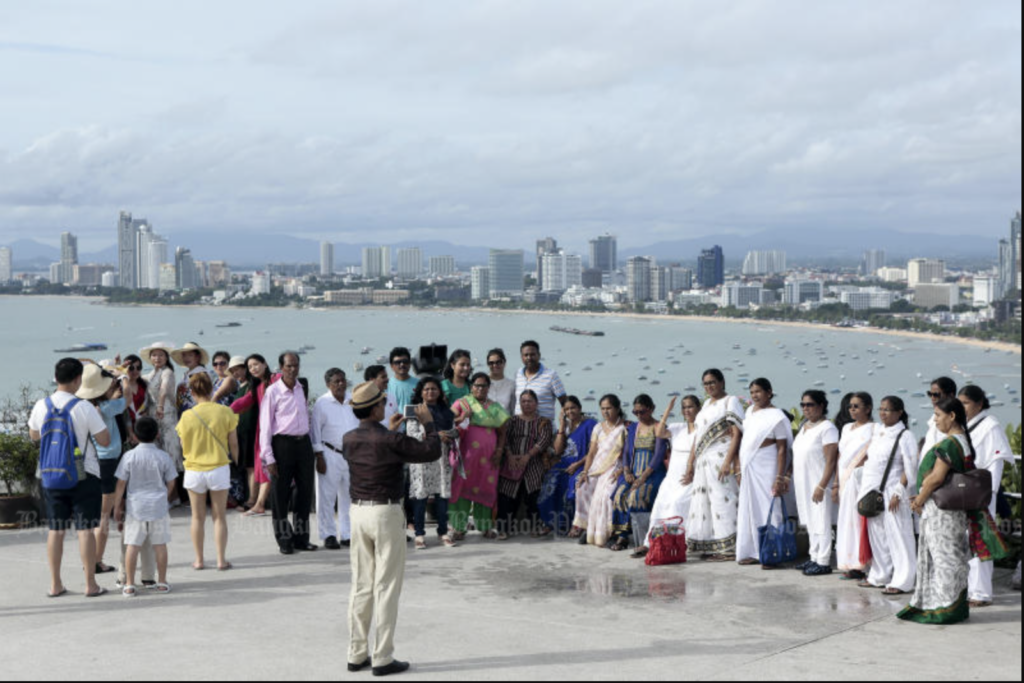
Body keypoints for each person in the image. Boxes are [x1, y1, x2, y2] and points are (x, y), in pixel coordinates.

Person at [342, 382, 442, 677]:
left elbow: (375, 448)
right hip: (386, 512)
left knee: (361, 585)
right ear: (375, 408)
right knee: (386, 587)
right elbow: (431, 451)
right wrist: (429, 424)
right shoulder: (389, 440)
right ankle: (382, 656)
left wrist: (389, 430)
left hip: (357, 512)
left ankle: (356, 653)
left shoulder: (349, 439)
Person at [898, 398, 1008, 625]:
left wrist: (919, 500)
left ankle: (945, 608)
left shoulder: (950, 443)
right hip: (948, 511)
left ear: (952, 416)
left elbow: (936, 478)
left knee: (944, 558)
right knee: (950, 557)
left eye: (938, 415)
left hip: (942, 513)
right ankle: (951, 606)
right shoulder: (962, 441)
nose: (935, 420)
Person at [28, 358, 112, 599]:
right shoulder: (83, 407)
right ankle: (90, 585)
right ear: (78, 380)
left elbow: (34, 435)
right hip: (83, 475)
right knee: (85, 530)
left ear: (56, 377)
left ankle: (55, 584)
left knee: (56, 530)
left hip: (50, 476)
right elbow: (104, 440)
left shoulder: (41, 405)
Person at [958, 385, 1016, 607]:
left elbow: (996, 463)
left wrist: (987, 494)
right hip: (964, 491)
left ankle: (981, 593)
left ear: (979, 404)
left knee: (981, 541)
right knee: (966, 541)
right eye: (960, 403)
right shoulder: (965, 426)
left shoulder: (990, 426)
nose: (962, 407)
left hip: (982, 493)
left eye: (966, 403)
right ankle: (969, 588)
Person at [176, 372, 240, 571]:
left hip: (194, 469)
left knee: (197, 517)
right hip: (219, 467)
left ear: (192, 392)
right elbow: (234, 444)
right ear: (212, 389)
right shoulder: (225, 412)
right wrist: (235, 462)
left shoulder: (187, 416)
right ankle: (221, 560)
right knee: (219, 516)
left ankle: (199, 560)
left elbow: (182, 444)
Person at [860, 396, 919, 596]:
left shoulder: (905, 435)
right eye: (881, 409)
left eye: (888, 410)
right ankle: (880, 574)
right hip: (872, 491)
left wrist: (900, 490)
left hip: (893, 492)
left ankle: (904, 580)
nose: (883, 413)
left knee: (900, 535)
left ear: (899, 412)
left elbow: (910, 466)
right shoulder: (878, 431)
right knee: (877, 535)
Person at [112, 417, 177, 597]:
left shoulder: (129, 456)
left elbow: (121, 484)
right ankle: (162, 581)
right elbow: (172, 481)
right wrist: (166, 496)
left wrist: (117, 506)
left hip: (135, 507)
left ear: (135, 435)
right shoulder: (163, 456)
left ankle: (130, 584)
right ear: (157, 434)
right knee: (160, 545)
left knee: (132, 545)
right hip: (158, 506)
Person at [261, 351, 317, 555]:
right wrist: (269, 457)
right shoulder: (273, 392)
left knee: (304, 493)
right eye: (289, 366)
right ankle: (284, 539)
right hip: (282, 445)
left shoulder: (302, 388)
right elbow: (265, 426)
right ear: (281, 368)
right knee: (280, 495)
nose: (293, 370)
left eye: (295, 365)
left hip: (303, 444)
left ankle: (302, 538)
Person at [686, 370, 744, 562]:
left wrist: (728, 461)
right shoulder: (705, 406)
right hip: (703, 460)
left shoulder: (730, 401)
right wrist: (690, 464)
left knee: (723, 500)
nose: (709, 387)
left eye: (712, 382)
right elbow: (697, 437)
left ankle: (730, 548)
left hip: (720, 458)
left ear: (722, 382)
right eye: (705, 384)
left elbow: (736, 433)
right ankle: (712, 544)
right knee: (706, 503)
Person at [634, 394, 702, 559]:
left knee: (676, 504)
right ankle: (651, 542)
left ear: (699, 409)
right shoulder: (678, 427)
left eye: (690, 407)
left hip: (689, 475)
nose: (687, 410)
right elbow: (659, 432)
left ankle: (676, 541)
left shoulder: (702, 428)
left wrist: (691, 472)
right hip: (672, 476)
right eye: (684, 407)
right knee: (660, 505)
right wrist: (667, 410)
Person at [736, 378, 792, 567]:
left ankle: (774, 551)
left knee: (771, 505)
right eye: (752, 392)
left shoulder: (777, 416)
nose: (755, 396)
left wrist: (779, 477)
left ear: (769, 392)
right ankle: (754, 551)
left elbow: (783, 449)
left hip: (767, 465)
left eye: (758, 391)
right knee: (750, 507)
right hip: (749, 465)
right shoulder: (750, 412)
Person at [449, 373, 509, 541]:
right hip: (466, 456)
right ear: (471, 386)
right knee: (460, 489)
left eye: (483, 386)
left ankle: (485, 526)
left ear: (489, 387)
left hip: (489, 459)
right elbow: (448, 420)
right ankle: (459, 528)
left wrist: (499, 451)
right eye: (477, 385)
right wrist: (462, 417)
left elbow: (503, 431)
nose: (480, 389)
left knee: (486, 489)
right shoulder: (462, 403)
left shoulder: (495, 407)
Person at [83, 364, 129, 576]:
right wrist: (125, 379)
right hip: (109, 461)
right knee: (104, 517)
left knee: (97, 515)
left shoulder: (88, 406)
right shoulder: (107, 407)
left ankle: (92, 559)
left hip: (94, 463)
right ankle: (96, 561)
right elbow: (127, 399)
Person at [609, 394, 668, 552]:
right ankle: (622, 534)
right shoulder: (633, 428)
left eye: (642, 411)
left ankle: (643, 539)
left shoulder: (659, 427)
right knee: (619, 495)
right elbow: (627, 452)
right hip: (633, 471)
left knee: (637, 496)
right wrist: (627, 471)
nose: (639, 415)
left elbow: (658, 456)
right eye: (636, 412)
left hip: (652, 473)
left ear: (651, 409)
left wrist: (643, 477)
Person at [792, 391, 840, 576]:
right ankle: (813, 556)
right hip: (803, 482)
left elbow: (831, 460)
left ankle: (824, 560)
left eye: (810, 405)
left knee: (821, 520)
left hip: (819, 481)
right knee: (810, 520)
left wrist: (822, 485)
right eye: (803, 404)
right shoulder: (805, 427)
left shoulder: (827, 428)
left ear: (821, 406)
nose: (805, 408)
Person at [311, 368, 360, 550]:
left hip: (351, 455)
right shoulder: (322, 403)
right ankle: (329, 534)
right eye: (336, 381)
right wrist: (319, 456)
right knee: (326, 497)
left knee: (349, 496)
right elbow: (315, 431)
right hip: (329, 453)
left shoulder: (352, 400)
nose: (340, 384)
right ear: (328, 384)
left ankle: (347, 534)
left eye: (342, 380)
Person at [407, 377, 458, 550]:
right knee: (420, 497)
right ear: (421, 392)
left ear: (440, 392)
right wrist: (436, 435)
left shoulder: (446, 411)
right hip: (421, 459)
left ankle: (443, 532)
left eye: (434, 389)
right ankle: (419, 534)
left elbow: (454, 431)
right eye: (426, 389)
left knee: (442, 496)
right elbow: (411, 434)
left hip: (441, 458)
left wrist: (448, 435)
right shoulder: (414, 411)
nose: (430, 392)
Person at [497, 390, 554, 540]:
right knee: (506, 496)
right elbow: (505, 439)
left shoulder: (543, 422)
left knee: (533, 496)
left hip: (533, 463)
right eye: (523, 401)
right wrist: (509, 455)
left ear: (536, 403)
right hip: (512, 462)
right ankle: (504, 529)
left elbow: (543, 441)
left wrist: (527, 456)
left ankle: (536, 526)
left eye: (529, 401)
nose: (526, 404)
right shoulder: (512, 421)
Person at [573, 395, 628, 548]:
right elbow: (591, 453)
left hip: (615, 467)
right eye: (603, 409)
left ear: (617, 408)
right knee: (582, 489)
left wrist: (623, 469)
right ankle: (587, 528)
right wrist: (585, 472)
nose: (605, 412)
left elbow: (627, 453)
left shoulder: (624, 428)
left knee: (607, 494)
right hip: (596, 467)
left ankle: (610, 532)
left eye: (609, 408)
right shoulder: (598, 427)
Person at [539, 396, 597, 537]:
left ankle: (575, 525)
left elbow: (594, 450)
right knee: (549, 485)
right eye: (566, 409)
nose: (570, 411)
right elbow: (558, 450)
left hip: (583, 464)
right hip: (564, 463)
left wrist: (577, 464)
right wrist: (561, 426)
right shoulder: (565, 426)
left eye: (573, 408)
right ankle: (549, 523)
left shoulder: (590, 424)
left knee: (572, 489)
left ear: (580, 408)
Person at [835, 392, 875, 581]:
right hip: (844, 479)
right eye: (850, 406)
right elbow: (841, 456)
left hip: (859, 480)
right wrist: (836, 483)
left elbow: (870, 455)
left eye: (857, 406)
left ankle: (863, 564)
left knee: (859, 522)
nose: (852, 409)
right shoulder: (846, 428)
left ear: (868, 409)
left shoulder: (873, 429)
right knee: (846, 522)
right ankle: (849, 563)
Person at [141, 343, 184, 507]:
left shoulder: (168, 372)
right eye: (154, 355)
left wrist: (159, 405)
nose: (157, 358)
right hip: (154, 420)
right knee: (158, 458)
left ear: (166, 358)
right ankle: (172, 496)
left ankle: (171, 497)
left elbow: (164, 389)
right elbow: (133, 377)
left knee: (171, 455)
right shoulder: (151, 374)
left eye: (160, 355)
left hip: (167, 416)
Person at [232, 354, 274, 516]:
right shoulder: (256, 387)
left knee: (266, 466)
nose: (254, 368)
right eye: (250, 367)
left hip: (279, 429)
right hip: (264, 430)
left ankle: (259, 503)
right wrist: (224, 412)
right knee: (263, 466)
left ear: (264, 364)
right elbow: (243, 402)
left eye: (256, 364)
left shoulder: (276, 379)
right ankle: (259, 503)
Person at [514, 341, 567, 424]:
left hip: (544, 431)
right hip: (519, 430)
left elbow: (565, 403)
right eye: (526, 355)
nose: (529, 358)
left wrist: (563, 425)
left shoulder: (551, 375)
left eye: (532, 354)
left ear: (539, 355)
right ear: (521, 357)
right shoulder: (518, 375)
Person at [921, 377, 957, 456]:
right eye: (930, 394)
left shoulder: (955, 422)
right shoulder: (933, 422)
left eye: (936, 395)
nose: (932, 398)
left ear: (951, 395)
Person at [121, 354, 149, 446]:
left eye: (138, 367)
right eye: (131, 368)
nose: (135, 371)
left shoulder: (145, 384)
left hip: (144, 426)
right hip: (127, 428)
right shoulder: (121, 387)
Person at [387, 348, 420, 412]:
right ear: (391, 366)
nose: (402, 364)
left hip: (415, 421)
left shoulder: (419, 383)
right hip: (393, 421)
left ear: (410, 364)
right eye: (397, 362)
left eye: (405, 361)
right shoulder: (386, 385)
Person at [486, 349, 517, 417]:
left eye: (498, 362)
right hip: (484, 425)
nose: (495, 365)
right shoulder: (482, 383)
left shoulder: (512, 385)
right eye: (491, 363)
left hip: (505, 425)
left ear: (504, 362)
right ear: (487, 364)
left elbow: (513, 410)